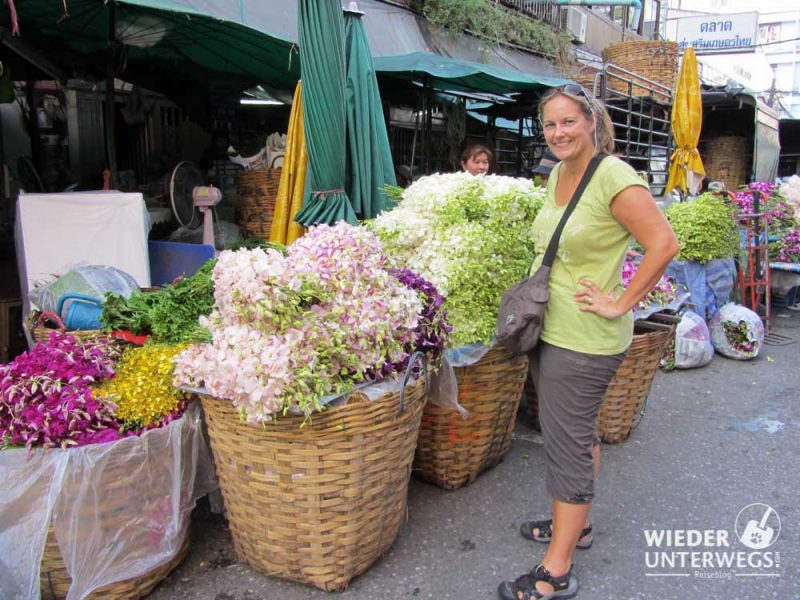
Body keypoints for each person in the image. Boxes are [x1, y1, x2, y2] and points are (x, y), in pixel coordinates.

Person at [498, 84, 679, 600]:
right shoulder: (558, 172)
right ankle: (580, 526)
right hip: (550, 328)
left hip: (585, 339)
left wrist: (620, 302)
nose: (558, 133)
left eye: (568, 123)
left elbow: (664, 244)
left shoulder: (613, 175)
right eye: (550, 125)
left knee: (567, 446)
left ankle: (555, 570)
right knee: (577, 435)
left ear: (592, 122)